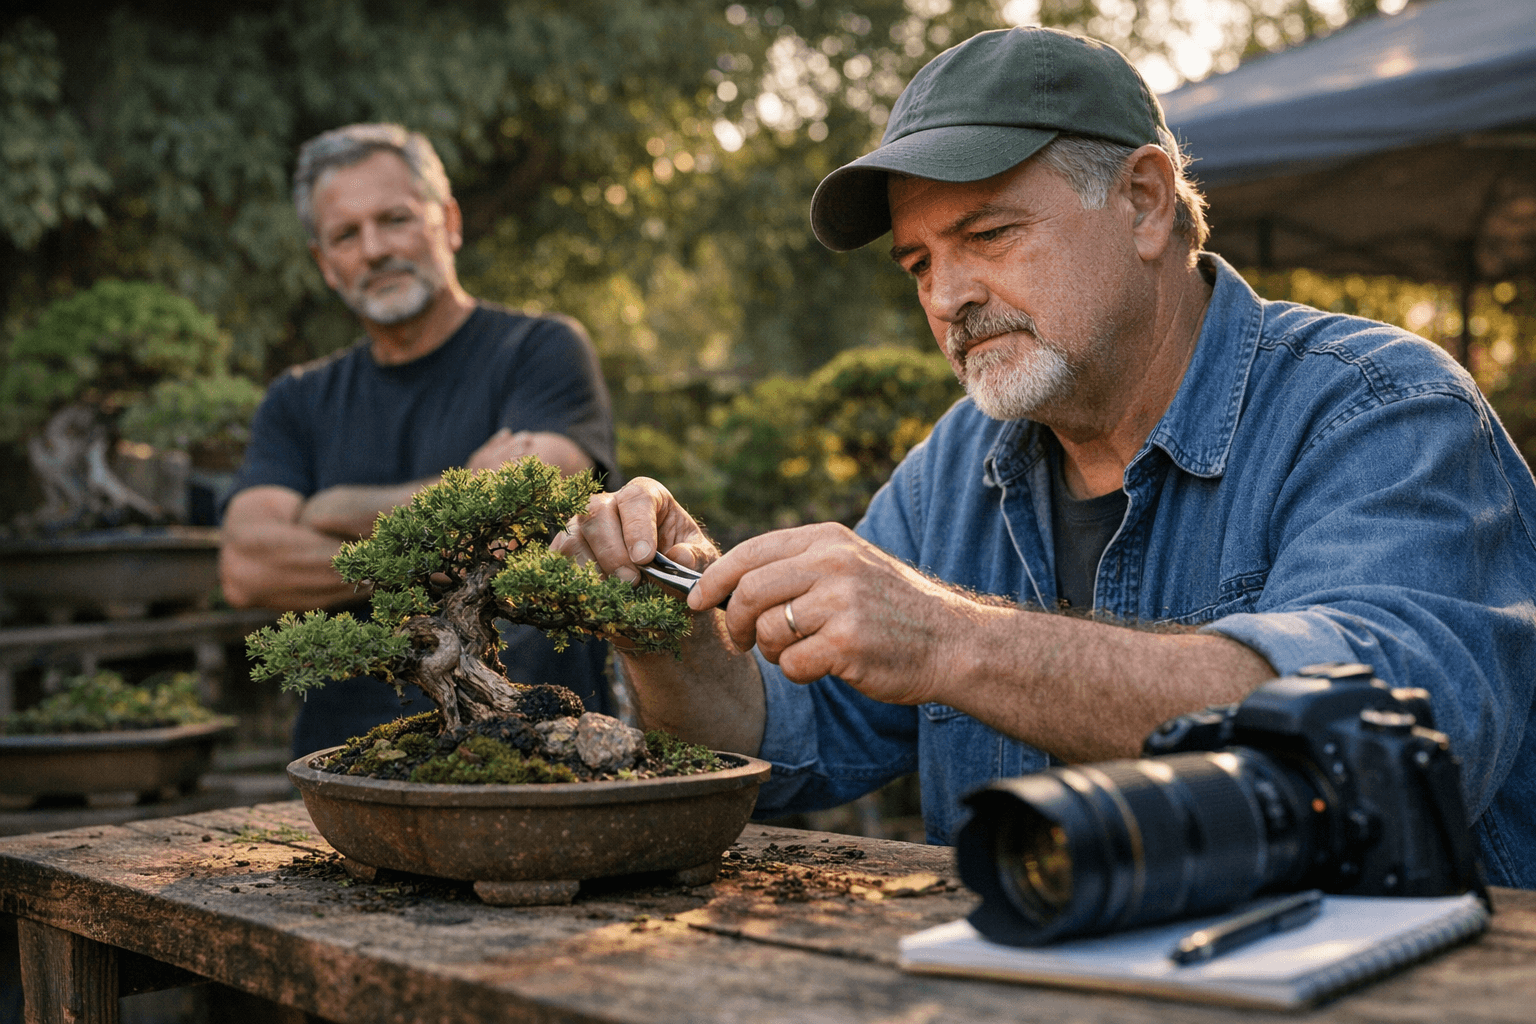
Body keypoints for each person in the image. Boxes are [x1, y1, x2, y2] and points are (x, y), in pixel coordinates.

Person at [555, 27, 1536, 888]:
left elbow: (1371, 739)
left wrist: (947, 638)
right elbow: (781, 748)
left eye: (987, 232)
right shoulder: (956, 469)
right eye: (919, 262)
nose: (948, 297)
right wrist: (665, 630)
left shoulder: (1380, 407)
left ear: (1146, 204)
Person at [221, 123, 621, 757]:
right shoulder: (297, 399)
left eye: (395, 218)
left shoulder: (541, 351)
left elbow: (521, 509)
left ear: (450, 221)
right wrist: (450, 513)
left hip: (533, 750)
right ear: (325, 264)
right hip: (348, 762)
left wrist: (330, 509)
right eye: (345, 235)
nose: (375, 248)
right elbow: (247, 565)